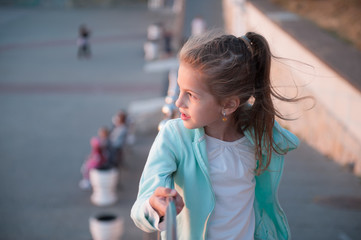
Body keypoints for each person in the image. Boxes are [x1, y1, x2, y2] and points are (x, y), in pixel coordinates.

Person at [131, 31, 301, 239]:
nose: (178, 103)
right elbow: (142, 207)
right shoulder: (174, 137)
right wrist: (154, 206)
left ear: (228, 105)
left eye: (191, 95)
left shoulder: (257, 137)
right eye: (179, 90)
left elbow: (285, 140)